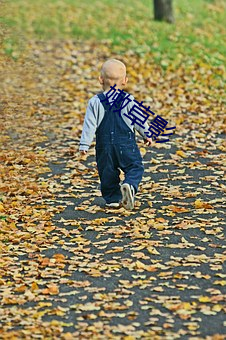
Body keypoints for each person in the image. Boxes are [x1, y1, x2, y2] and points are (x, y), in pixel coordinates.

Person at [79, 59, 152, 210]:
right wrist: (147, 134)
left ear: (101, 79)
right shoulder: (129, 100)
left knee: (107, 172)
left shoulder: (95, 102)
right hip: (126, 144)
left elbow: (89, 125)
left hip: (104, 146)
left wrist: (84, 144)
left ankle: (112, 199)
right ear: (125, 81)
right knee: (135, 167)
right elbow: (139, 119)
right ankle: (130, 185)